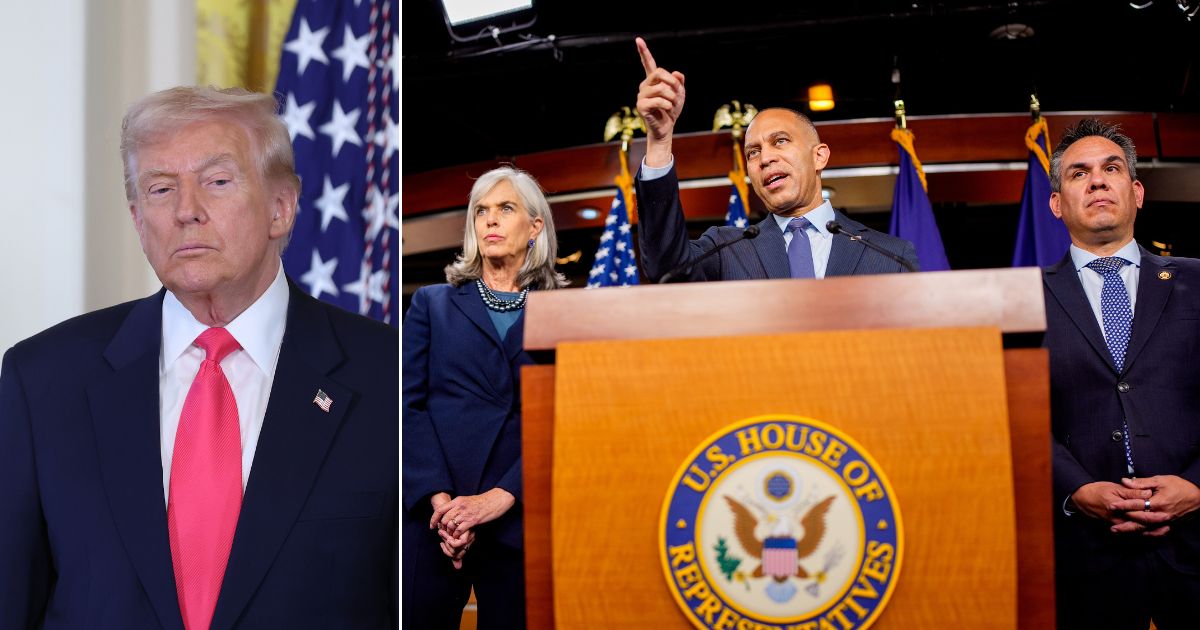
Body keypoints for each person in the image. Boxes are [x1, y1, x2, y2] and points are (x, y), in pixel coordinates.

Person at [0, 86, 398, 629]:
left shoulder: (389, 375)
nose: (187, 211)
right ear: (139, 220)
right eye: (161, 189)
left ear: (281, 207)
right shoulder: (41, 380)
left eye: (216, 182)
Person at [1043, 118, 1200, 629]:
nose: (1096, 181)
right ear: (1056, 203)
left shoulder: (1198, 282)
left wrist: (1199, 486)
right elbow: (1011, 413)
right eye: (1078, 173)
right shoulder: (1021, 297)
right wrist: (1074, 490)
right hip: (1086, 560)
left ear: (1136, 192)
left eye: (1111, 169)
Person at [403, 165, 567, 628]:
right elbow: (406, 407)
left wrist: (501, 497)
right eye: (481, 211)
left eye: (506, 208)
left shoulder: (562, 311)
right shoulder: (432, 303)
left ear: (535, 227)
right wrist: (442, 504)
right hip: (434, 522)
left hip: (518, 516)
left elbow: (563, 417)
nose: (490, 220)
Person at [632, 37, 919, 282]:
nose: (765, 158)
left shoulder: (891, 256)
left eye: (780, 141)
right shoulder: (725, 249)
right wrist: (659, 141)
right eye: (753, 152)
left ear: (819, 156)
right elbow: (666, 269)